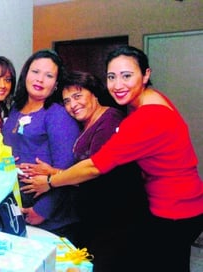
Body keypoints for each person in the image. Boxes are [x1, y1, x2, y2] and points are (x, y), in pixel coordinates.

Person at [22, 45, 203, 272]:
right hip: (183, 200)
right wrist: (55, 172)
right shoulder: (152, 100)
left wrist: (50, 182)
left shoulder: (143, 118)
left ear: (146, 74)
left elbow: (95, 166)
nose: (118, 85)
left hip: (174, 209)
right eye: (111, 77)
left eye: (127, 76)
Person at [19, 70, 150, 272]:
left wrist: (50, 179)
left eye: (78, 96)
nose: (73, 105)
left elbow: (95, 172)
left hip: (118, 217)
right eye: (67, 101)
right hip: (98, 216)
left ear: (94, 94)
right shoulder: (88, 123)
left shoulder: (109, 121)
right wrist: (54, 171)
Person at [2, 49, 80, 240]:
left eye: (49, 75)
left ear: (55, 85)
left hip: (50, 214)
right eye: (35, 72)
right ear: (26, 73)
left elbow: (67, 170)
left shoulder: (57, 114)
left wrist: (43, 210)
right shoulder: (15, 109)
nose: (40, 79)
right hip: (17, 205)